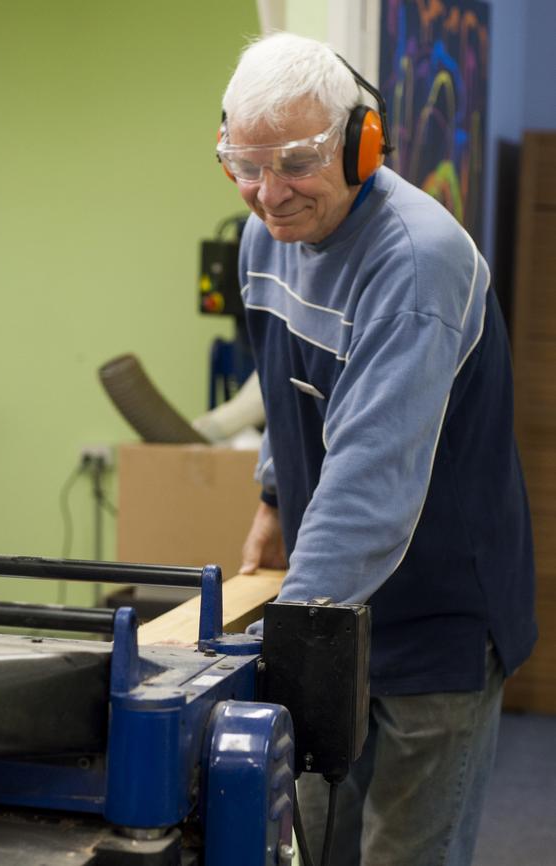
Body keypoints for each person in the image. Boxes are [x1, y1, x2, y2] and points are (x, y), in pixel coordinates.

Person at [217, 32, 537, 866]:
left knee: (406, 854)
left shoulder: (414, 266)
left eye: (293, 162)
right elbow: (286, 387)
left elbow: (369, 481)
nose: (268, 194)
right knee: (311, 841)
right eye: (244, 165)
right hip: (335, 607)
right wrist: (273, 500)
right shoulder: (265, 238)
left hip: (436, 620)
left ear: (362, 143)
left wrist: (285, 645)